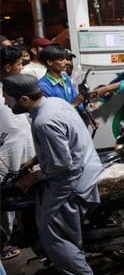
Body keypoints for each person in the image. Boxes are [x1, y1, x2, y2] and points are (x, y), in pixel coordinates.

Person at [4, 74, 102, 274]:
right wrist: (34, 160)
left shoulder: (43, 121)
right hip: (87, 165)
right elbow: (64, 142)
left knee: (54, 235)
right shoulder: (56, 103)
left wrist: (33, 176)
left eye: (8, 98)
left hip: (72, 181)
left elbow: (61, 163)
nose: (5, 103)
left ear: (24, 99)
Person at [0, 47, 36, 262]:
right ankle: (3, 241)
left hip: (24, 149)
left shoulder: (15, 87)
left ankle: (21, 232)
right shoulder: (6, 90)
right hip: (6, 152)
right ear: (7, 68)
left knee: (24, 190)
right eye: (19, 65)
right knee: (5, 196)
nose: (22, 68)